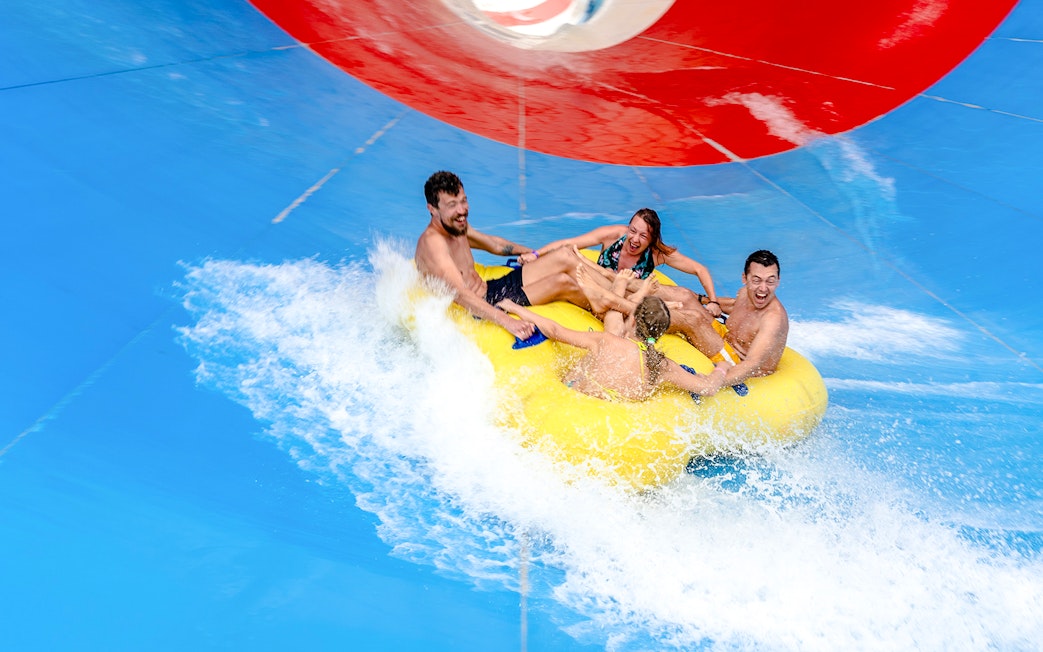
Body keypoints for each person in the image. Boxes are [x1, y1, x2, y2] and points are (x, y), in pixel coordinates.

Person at [415, 170, 601, 339]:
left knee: (563, 256)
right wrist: (508, 321)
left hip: (492, 288)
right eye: (452, 205)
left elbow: (495, 245)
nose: (462, 210)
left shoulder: (456, 225)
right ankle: (601, 317)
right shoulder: (433, 244)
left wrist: (533, 254)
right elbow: (461, 295)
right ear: (432, 209)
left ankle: (615, 295)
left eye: (463, 200)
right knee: (562, 282)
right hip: (483, 306)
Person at [496, 269, 729, 400]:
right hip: (612, 421)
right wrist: (721, 369)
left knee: (609, 330)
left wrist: (515, 308)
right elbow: (707, 388)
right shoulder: (661, 365)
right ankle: (613, 292)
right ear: (660, 334)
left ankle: (613, 291)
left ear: (635, 319)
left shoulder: (606, 341)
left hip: (572, 402)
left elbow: (555, 331)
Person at [515, 208, 723, 317]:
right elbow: (570, 243)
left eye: (643, 235)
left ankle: (715, 304)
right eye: (632, 231)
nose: (634, 239)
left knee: (684, 296)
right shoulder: (613, 235)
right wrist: (536, 254)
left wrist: (713, 301)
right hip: (596, 288)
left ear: (651, 239)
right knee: (567, 262)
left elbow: (699, 269)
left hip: (622, 302)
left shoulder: (657, 253)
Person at [669, 250, 789, 387]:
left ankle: (647, 328)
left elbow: (752, 364)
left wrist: (710, 383)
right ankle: (641, 299)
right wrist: (702, 300)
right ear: (745, 278)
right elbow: (734, 305)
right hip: (725, 342)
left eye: (770, 281)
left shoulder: (773, 319)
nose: (763, 288)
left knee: (693, 319)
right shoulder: (745, 293)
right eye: (756, 280)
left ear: (778, 281)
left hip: (737, 363)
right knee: (684, 296)